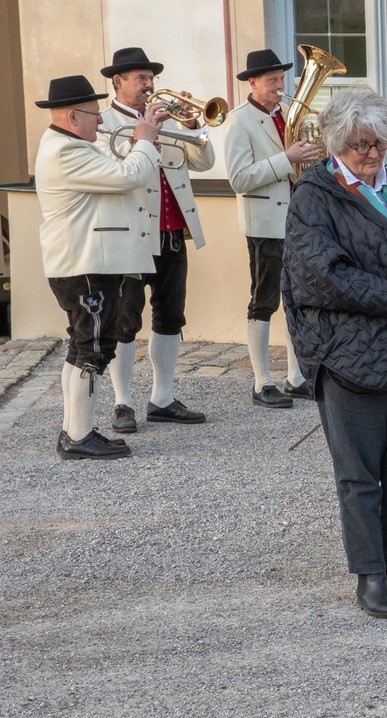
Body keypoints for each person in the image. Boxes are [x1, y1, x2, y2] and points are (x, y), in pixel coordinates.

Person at [281, 85, 387, 619]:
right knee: (360, 475)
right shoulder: (313, 194)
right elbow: (319, 273)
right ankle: (370, 574)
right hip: (349, 354)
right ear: (337, 143)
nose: (373, 154)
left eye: (380, 143)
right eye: (361, 145)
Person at [33, 74, 161, 459]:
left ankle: (75, 429)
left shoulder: (68, 143)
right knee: (93, 347)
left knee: (81, 345)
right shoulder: (66, 151)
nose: (102, 121)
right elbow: (128, 176)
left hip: (82, 260)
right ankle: (79, 435)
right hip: (85, 262)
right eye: (94, 114)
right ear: (73, 116)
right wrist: (145, 141)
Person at [97, 47, 212, 433]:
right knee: (126, 320)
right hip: (132, 235)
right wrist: (144, 137)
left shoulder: (166, 119)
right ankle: (122, 403)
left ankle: (162, 398)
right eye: (140, 78)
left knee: (170, 317)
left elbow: (204, 163)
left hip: (172, 232)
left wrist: (194, 125)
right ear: (118, 81)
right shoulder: (103, 122)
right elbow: (112, 173)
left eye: (151, 78)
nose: (148, 85)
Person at [222, 48, 320, 409]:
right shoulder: (239, 121)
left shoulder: (290, 116)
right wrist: (287, 159)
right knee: (264, 300)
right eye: (272, 81)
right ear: (253, 83)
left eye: (281, 79)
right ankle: (262, 381)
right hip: (264, 223)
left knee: (298, 300)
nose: (280, 86)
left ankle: (296, 377)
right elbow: (239, 178)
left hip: (300, 220)